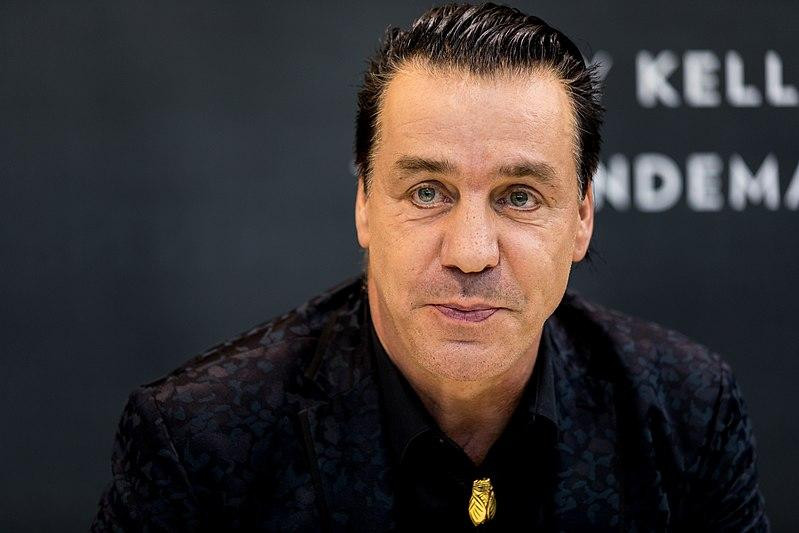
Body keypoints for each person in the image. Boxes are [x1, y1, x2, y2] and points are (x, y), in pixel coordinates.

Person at [91, 3, 769, 531]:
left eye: (518, 197)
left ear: (582, 217)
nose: (469, 252)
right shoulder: (199, 441)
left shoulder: (685, 411)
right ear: (363, 205)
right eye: (426, 192)